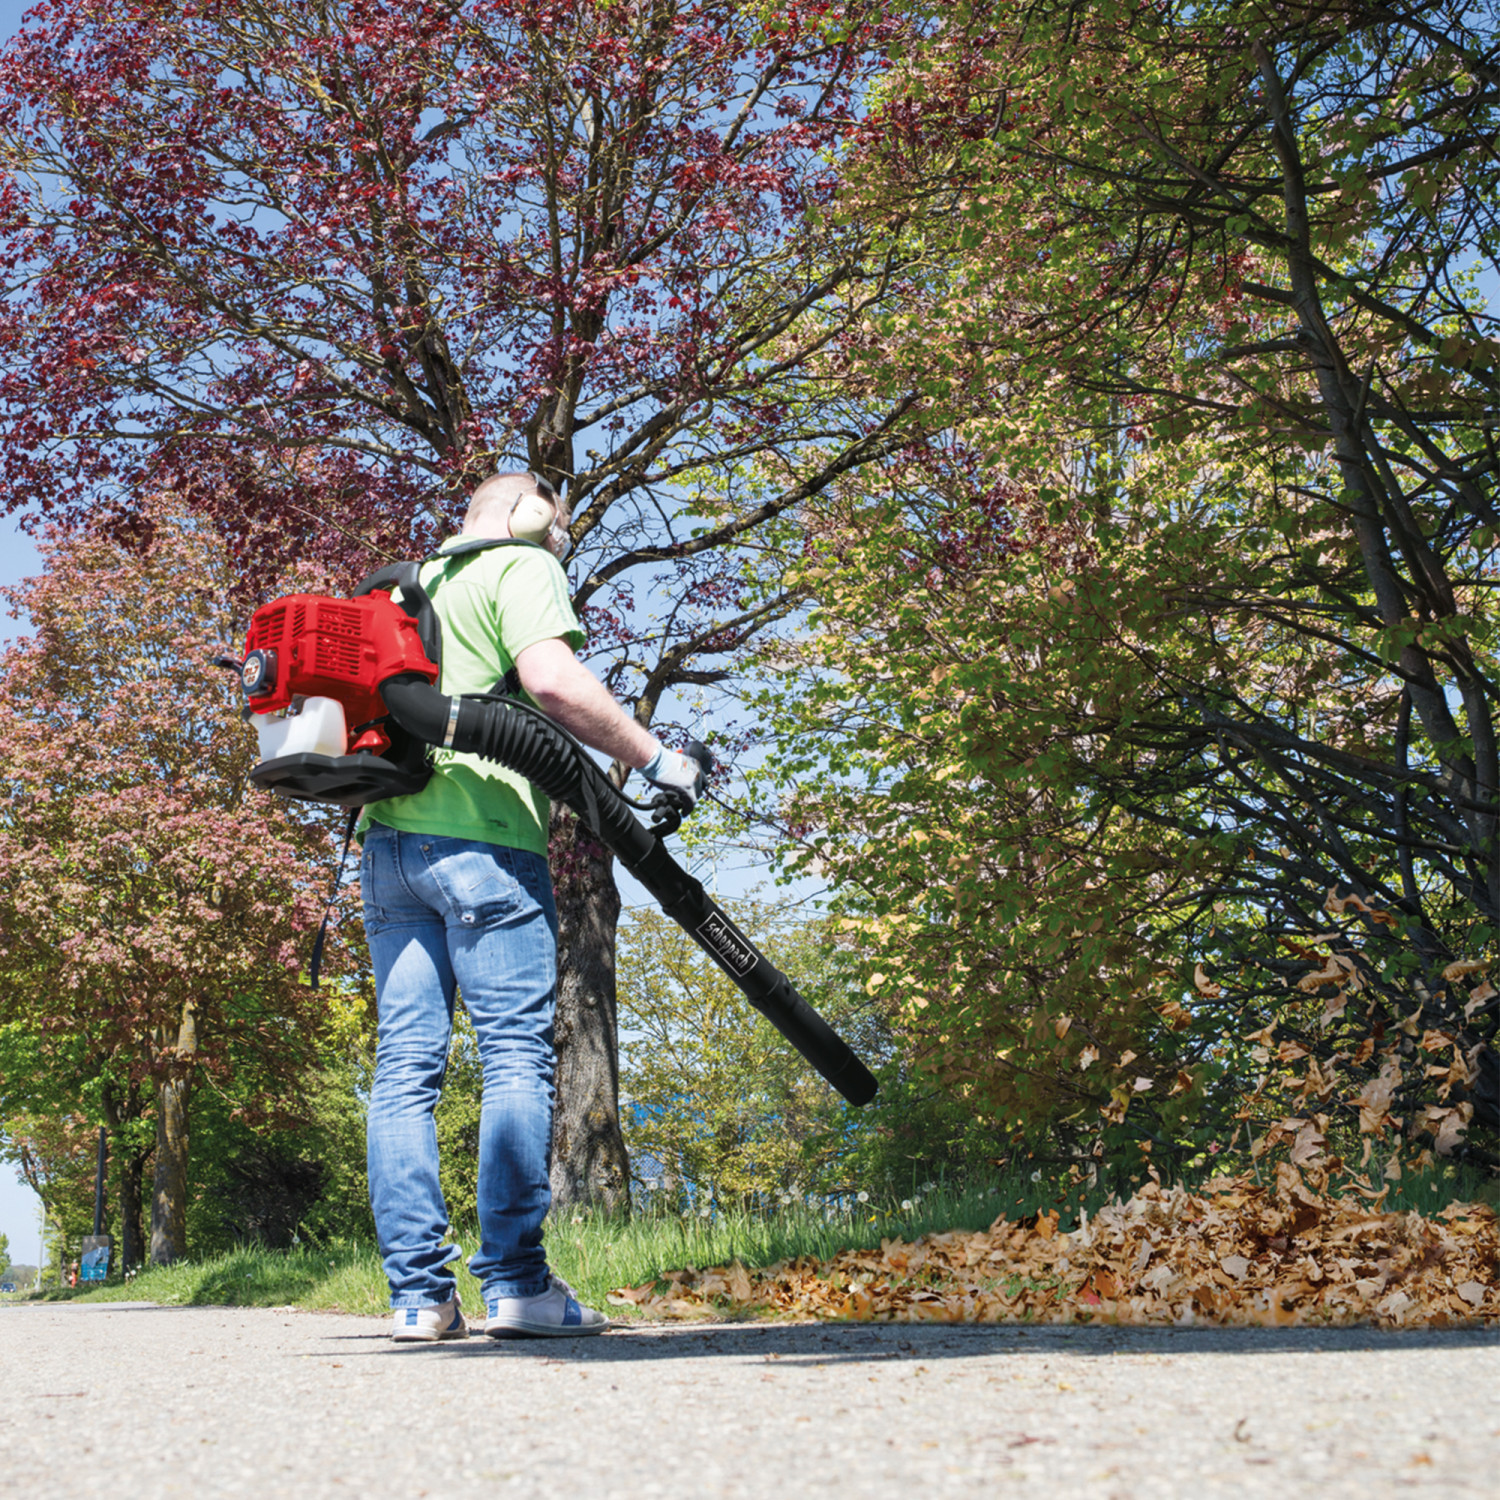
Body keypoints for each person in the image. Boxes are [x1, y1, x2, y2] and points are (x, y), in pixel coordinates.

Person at [359, 471, 703, 1343]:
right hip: (482, 843)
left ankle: (418, 1300)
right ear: (525, 510)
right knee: (515, 1056)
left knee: (404, 1071)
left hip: (387, 850)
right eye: (559, 523)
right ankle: (517, 1288)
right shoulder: (518, 564)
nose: (562, 541)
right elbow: (552, 683)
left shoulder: (411, 587)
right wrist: (656, 759)